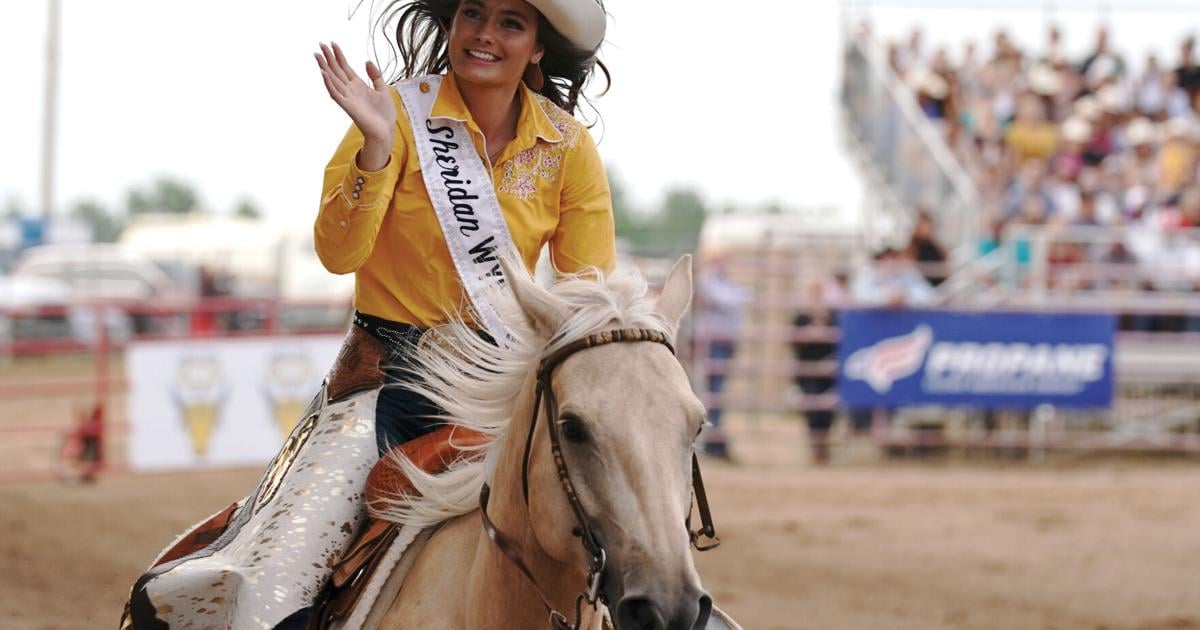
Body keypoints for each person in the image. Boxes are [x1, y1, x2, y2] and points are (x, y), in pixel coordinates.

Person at [126, 1, 614, 628]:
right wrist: (378, 148)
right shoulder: (394, 112)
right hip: (382, 387)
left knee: (629, 552)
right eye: (472, 14)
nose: (485, 35)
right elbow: (338, 253)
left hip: (501, 396)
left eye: (511, 22)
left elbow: (587, 292)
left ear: (538, 48)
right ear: (452, 25)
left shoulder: (567, 148)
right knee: (274, 587)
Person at [694, 251, 750, 460]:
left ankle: (715, 437)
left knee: (717, 391)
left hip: (724, 342)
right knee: (714, 391)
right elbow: (728, 300)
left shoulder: (722, 282)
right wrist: (743, 295)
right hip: (714, 342)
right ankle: (713, 439)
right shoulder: (708, 281)